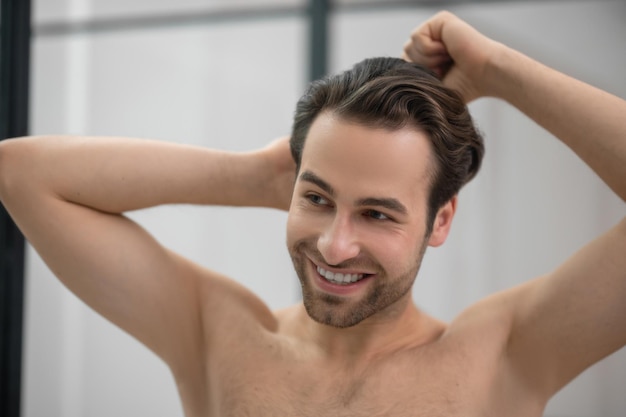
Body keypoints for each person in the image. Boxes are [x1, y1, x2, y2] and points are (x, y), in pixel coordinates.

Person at [0, 10, 624, 416]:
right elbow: (20, 173)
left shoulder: (503, 356)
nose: (333, 245)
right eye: (317, 198)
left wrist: (496, 69)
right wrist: (255, 176)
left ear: (440, 221)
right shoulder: (218, 334)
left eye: (378, 214)